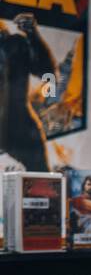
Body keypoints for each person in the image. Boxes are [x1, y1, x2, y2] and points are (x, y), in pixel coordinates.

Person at [0, 12, 55, 171]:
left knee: (41, 182)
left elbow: (46, 71)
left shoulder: (14, 44)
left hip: (20, 128)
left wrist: (33, 37)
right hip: (19, 127)